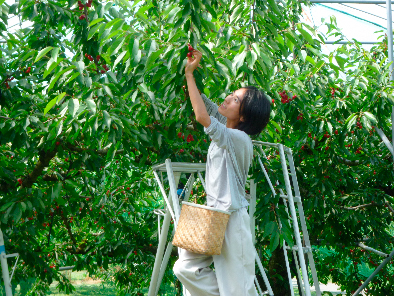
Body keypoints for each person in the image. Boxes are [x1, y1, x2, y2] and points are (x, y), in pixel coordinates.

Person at [173, 46, 271, 295]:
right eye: (232, 94)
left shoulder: (239, 138)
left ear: (243, 116)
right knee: (185, 269)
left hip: (233, 220)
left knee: (238, 288)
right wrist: (188, 69)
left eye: (235, 99)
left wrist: (189, 76)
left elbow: (202, 116)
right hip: (212, 217)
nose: (227, 98)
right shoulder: (226, 131)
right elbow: (204, 105)